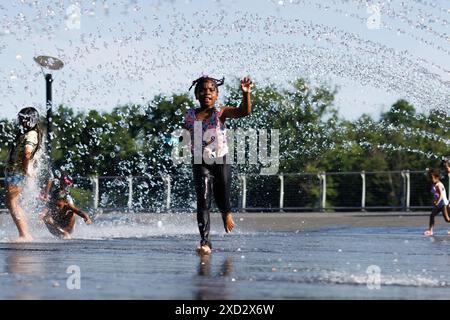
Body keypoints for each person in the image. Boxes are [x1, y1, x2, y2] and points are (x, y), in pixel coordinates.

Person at [184, 75, 252, 255]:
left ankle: (226, 212)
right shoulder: (190, 115)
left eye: (211, 90)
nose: (207, 93)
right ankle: (205, 242)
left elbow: (244, 112)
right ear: (196, 95)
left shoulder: (221, 112)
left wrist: (245, 94)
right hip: (200, 161)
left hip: (221, 159)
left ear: (217, 94)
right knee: (203, 201)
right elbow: (187, 136)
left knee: (222, 194)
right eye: (203, 90)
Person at [5, 107, 42, 242]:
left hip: (17, 172)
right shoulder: (27, 133)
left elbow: (27, 153)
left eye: (24, 119)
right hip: (14, 171)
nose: (21, 122)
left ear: (32, 120)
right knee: (12, 203)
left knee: (12, 203)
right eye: (21, 119)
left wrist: (27, 170)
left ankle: (24, 234)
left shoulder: (31, 134)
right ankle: (24, 233)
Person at [38, 173, 92, 239]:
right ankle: (63, 233)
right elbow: (44, 211)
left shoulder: (67, 205)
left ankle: (65, 233)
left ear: (65, 202)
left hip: (67, 228)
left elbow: (79, 212)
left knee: (72, 213)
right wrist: (40, 218)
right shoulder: (52, 203)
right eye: (55, 204)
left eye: (59, 205)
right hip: (56, 229)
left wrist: (86, 218)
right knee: (46, 218)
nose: (56, 207)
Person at [424, 168, 450, 236]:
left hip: (443, 204)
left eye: (432, 178)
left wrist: (437, 202)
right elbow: (436, 195)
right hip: (439, 204)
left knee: (447, 219)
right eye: (430, 178)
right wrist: (435, 200)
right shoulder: (434, 184)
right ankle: (430, 230)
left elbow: (441, 195)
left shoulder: (439, 184)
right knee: (432, 215)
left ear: (437, 177)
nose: (431, 179)